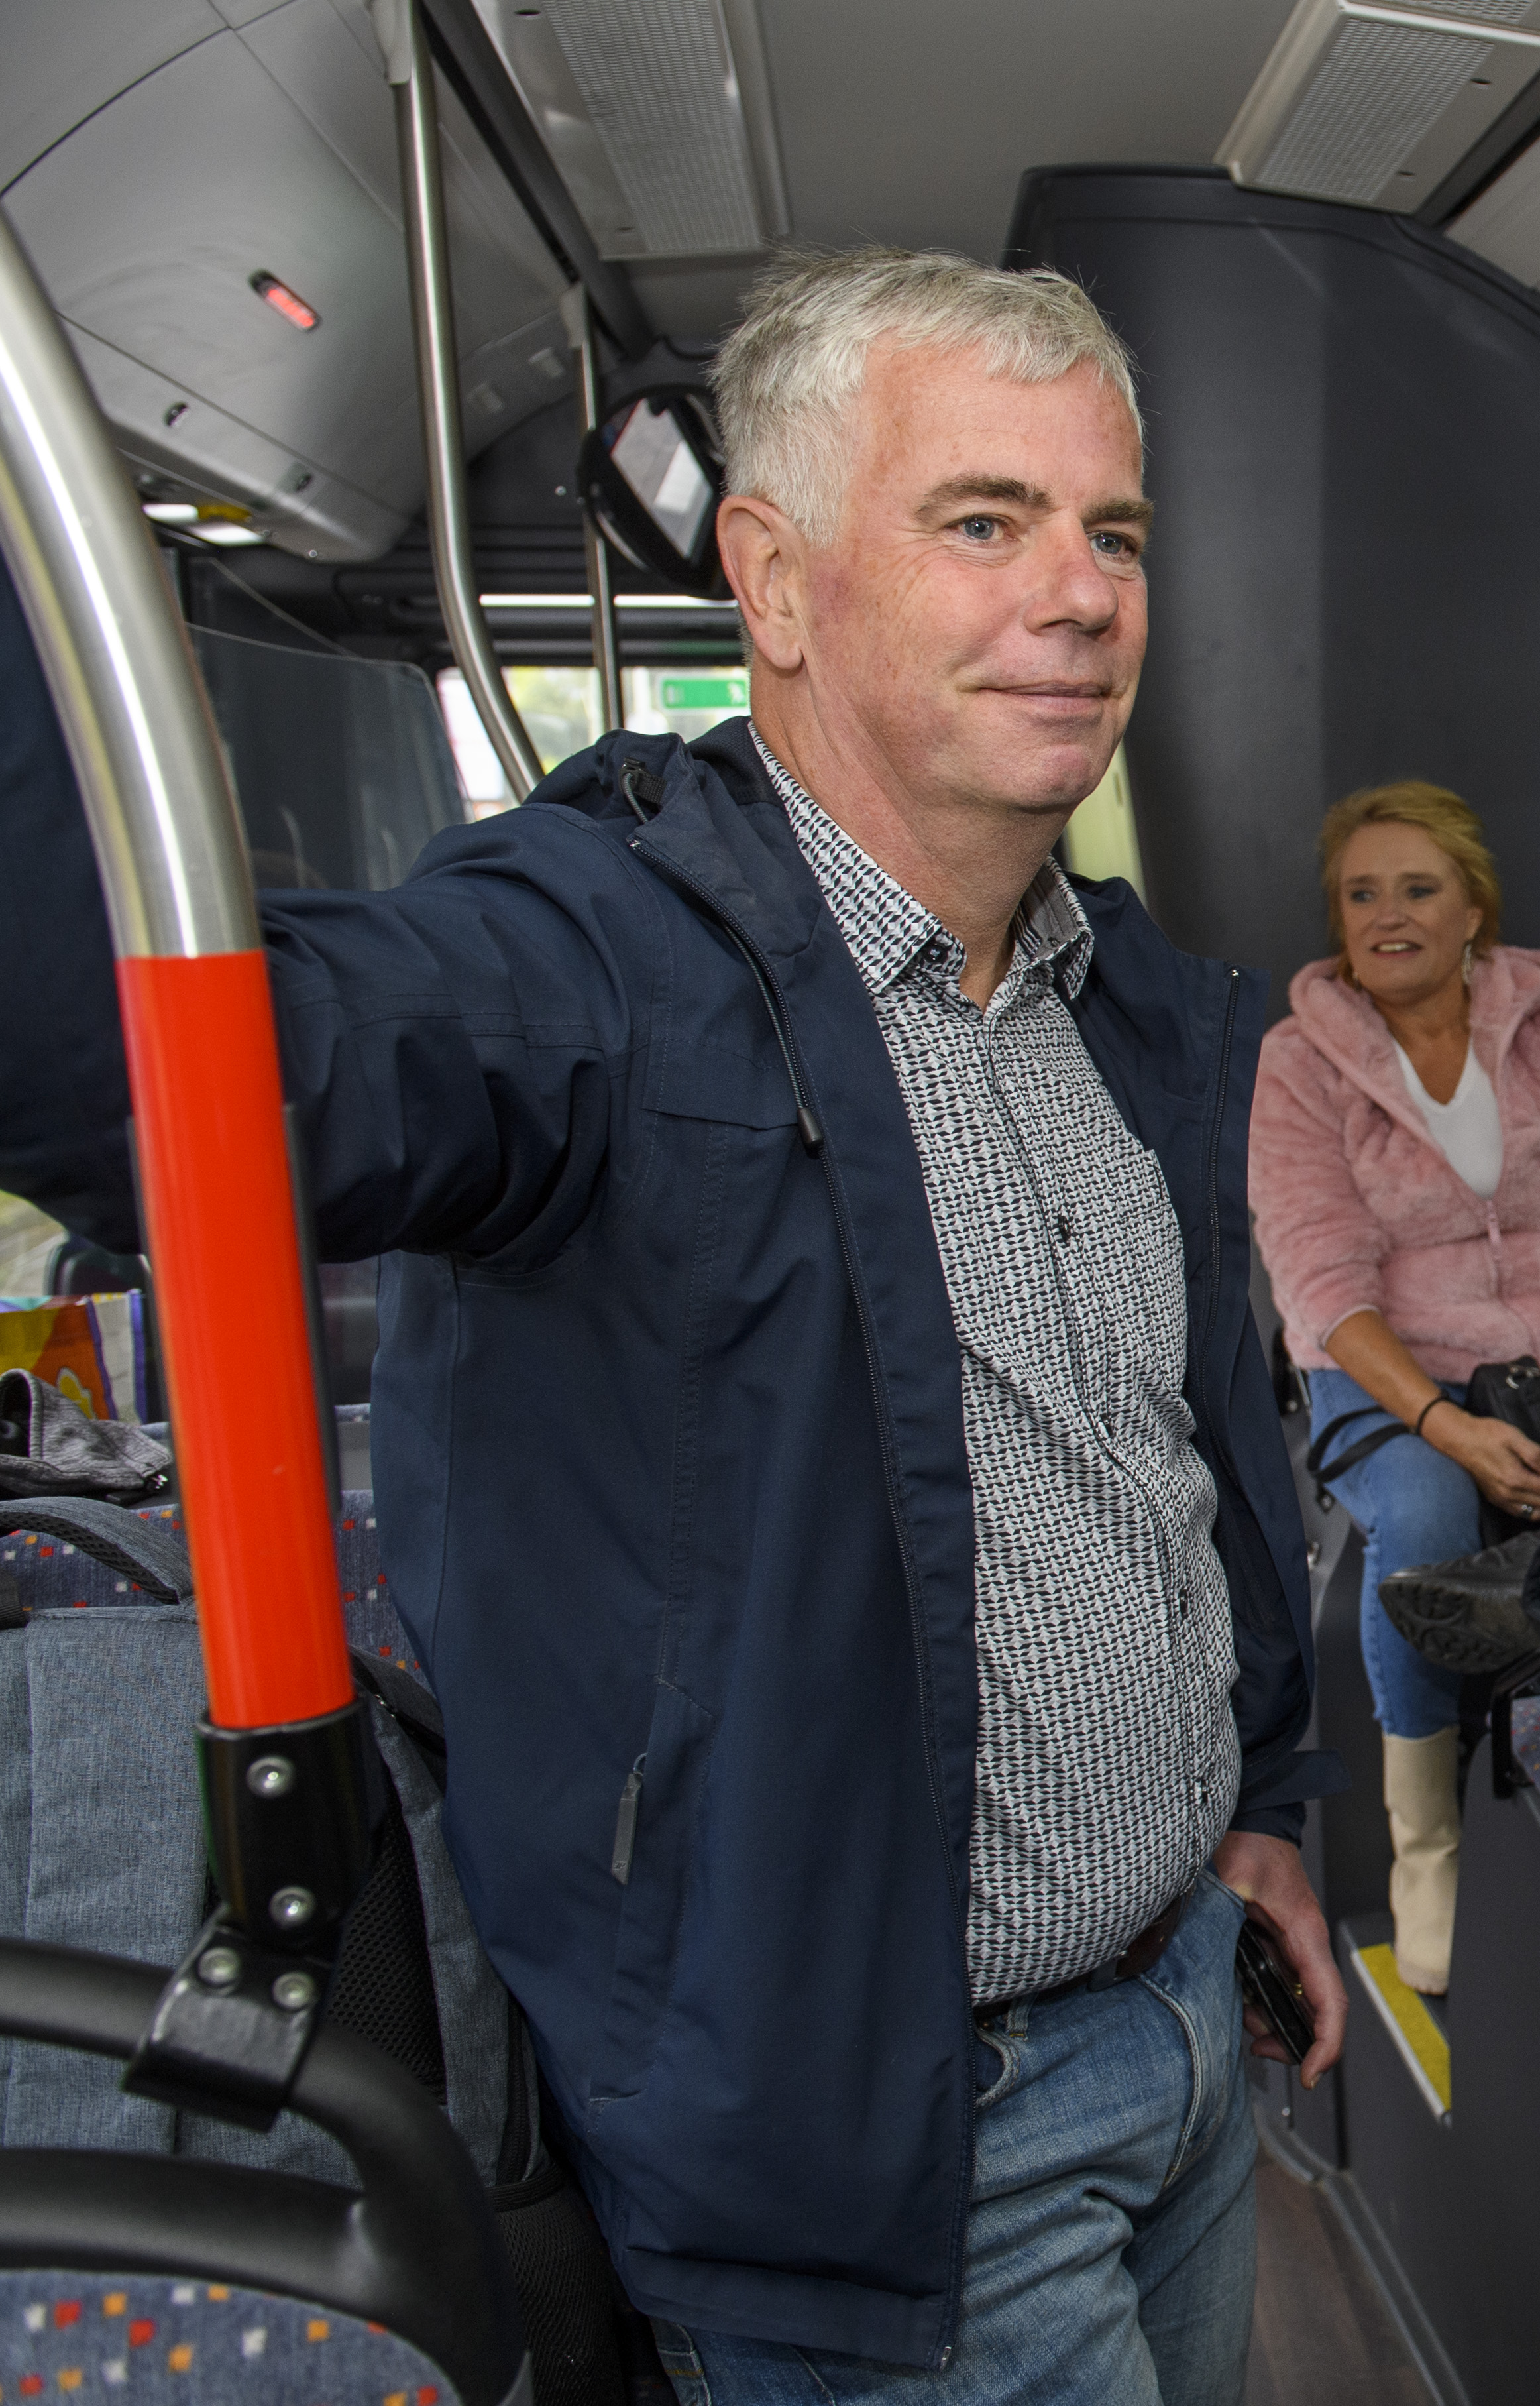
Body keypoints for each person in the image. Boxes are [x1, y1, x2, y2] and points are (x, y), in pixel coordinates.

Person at [0, 247, 1350, 2402]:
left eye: (1117, 534)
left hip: (1185, 2024)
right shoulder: (592, 972)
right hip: (897, 2155)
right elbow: (125, 1077)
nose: (1083, 593)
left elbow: (1174, 1470)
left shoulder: (1125, 1000)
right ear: (777, 578)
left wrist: (1261, 1802)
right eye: (983, 521)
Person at [1247, 781, 1540, 1995]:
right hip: (1391, 1372)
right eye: (1360, 894)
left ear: (1474, 906)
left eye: (1416, 888)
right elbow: (1320, 1281)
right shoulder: (1298, 1059)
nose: (1387, 915)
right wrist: (1448, 1426)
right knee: (1426, 1518)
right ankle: (1425, 1846)